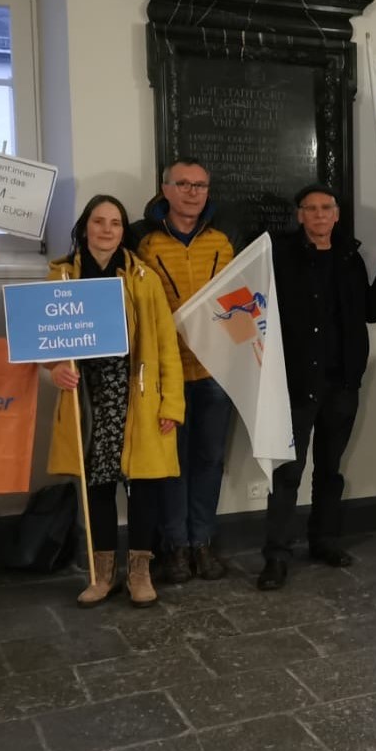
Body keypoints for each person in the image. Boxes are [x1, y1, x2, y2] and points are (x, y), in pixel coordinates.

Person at [257, 184, 376, 590]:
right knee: (287, 473)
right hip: (297, 382)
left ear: (336, 215)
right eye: (311, 209)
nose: (320, 215)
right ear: (300, 215)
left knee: (330, 470)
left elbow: (370, 312)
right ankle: (277, 556)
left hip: (342, 382)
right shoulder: (279, 255)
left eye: (327, 208)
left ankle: (324, 540)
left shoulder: (350, 257)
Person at [48, 195, 184, 608]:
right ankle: (102, 573)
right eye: (98, 221)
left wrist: (171, 405)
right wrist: (53, 368)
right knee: (98, 487)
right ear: (84, 226)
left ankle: (139, 572)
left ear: (124, 230)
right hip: (89, 398)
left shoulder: (144, 277)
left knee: (144, 489)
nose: (107, 230)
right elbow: (46, 339)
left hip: (136, 397)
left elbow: (166, 346)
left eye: (115, 223)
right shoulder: (62, 278)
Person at [131, 158, 234, 583]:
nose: (192, 192)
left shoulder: (222, 244)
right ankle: (174, 546)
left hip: (215, 372)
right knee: (172, 463)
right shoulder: (147, 245)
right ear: (166, 189)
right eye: (184, 184)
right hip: (166, 374)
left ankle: (202, 543)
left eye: (200, 185)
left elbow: (237, 303)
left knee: (210, 460)